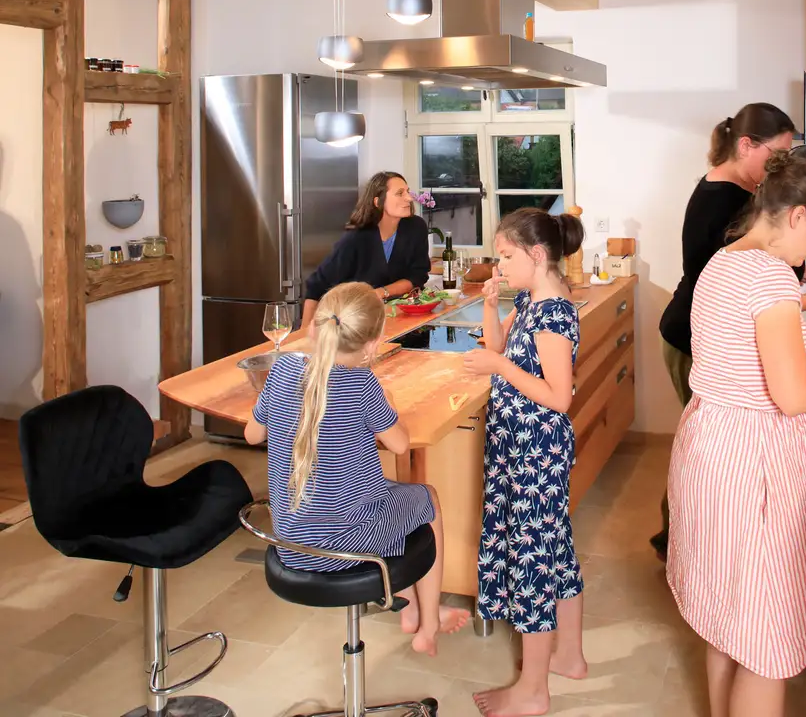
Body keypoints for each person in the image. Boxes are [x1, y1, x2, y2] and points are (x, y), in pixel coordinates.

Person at [667, 151, 806, 717]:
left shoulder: (725, 260)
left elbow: (738, 356)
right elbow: (790, 397)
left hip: (708, 447)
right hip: (750, 463)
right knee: (764, 640)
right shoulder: (771, 277)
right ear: (797, 215)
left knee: (726, 619)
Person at [652, 103, 806, 561]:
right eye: (776, 154)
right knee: (725, 493)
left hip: (708, 347)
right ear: (745, 145)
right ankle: (684, 539)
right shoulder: (722, 203)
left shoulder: (737, 219)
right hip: (691, 338)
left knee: (711, 472)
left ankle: (694, 544)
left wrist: (794, 289)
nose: (778, 165)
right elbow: (747, 306)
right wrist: (800, 300)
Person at [244, 281, 469, 657]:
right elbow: (400, 444)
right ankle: (429, 623)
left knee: (383, 495)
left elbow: (253, 434)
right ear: (373, 343)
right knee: (425, 498)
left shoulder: (282, 369)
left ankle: (411, 608)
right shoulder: (362, 384)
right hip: (342, 545)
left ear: (314, 328)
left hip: (290, 541)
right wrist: (387, 404)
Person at [461, 208, 587, 717]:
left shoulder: (554, 312)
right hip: (519, 446)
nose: (500, 266)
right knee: (555, 550)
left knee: (534, 560)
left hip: (536, 452)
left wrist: (498, 365)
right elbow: (498, 347)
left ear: (536, 255)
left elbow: (559, 396)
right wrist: (491, 306)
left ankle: (533, 690)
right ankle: (569, 656)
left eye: (507, 257)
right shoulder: (530, 300)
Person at [301, 171, 431, 326]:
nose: (409, 198)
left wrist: (380, 292)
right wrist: (305, 333)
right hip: (361, 324)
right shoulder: (356, 238)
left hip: (407, 319)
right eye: (400, 193)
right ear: (378, 202)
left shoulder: (416, 227)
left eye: (407, 192)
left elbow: (418, 276)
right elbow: (317, 286)